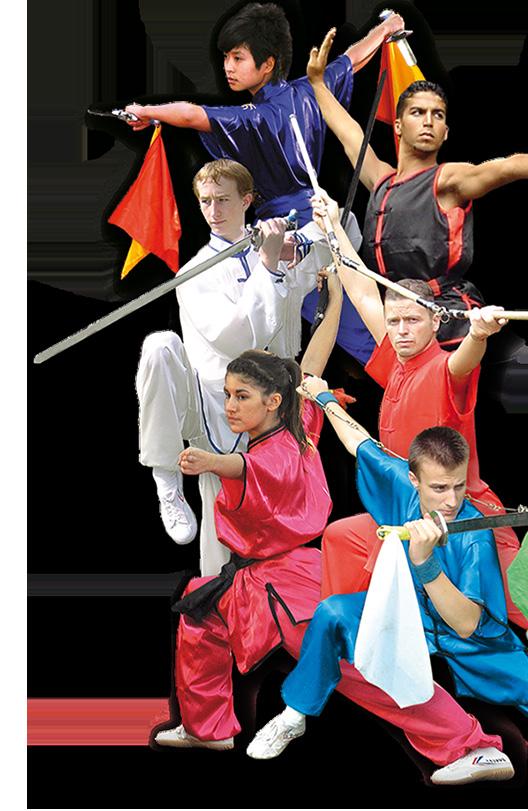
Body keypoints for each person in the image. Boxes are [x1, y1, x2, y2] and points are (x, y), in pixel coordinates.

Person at [152, 276, 510, 775]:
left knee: (363, 666)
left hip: (286, 585)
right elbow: (311, 368)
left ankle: (471, 745)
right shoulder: (297, 420)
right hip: (254, 579)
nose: (229, 405)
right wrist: (333, 302)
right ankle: (205, 728)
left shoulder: (277, 452)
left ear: (272, 402)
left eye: (241, 396)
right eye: (228, 394)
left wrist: (211, 462)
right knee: (200, 616)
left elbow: (246, 468)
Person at [247, 414, 528, 786]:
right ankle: (294, 714)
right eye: (440, 488)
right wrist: (323, 398)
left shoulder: (475, 536)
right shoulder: (400, 485)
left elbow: (465, 624)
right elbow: (359, 442)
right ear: (414, 480)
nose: (451, 500)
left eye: (459, 486)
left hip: (478, 644)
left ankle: (483, 749)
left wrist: (425, 564)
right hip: (416, 617)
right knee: (332, 613)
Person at [125, 3, 406, 363]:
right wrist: (386, 29)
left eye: (238, 58)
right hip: (326, 218)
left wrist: (147, 112)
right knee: (356, 315)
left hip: (289, 231)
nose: (228, 67)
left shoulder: (254, 118)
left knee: (335, 328)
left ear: (268, 63)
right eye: (226, 58)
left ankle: (409, 380)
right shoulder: (311, 90)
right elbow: (352, 59)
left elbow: (193, 115)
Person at [309, 189, 528, 630]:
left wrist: (478, 334)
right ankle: (356, 642)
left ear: (436, 320)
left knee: (519, 605)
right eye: (395, 322)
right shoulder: (396, 360)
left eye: (413, 320)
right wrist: (332, 224)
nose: (402, 330)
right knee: (340, 537)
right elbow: (363, 291)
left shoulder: (443, 369)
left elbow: (465, 360)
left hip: (463, 513)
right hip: (409, 510)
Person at [136, 158, 320, 576]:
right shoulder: (194, 273)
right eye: (205, 201)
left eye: (222, 200)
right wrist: (268, 266)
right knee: (160, 347)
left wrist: (308, 234)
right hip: (213, 405)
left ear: (247, 200)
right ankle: (166, 478)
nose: (213, 210)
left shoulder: (276, 246)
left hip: (275, 409)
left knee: (271, 525)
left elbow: (341, 238)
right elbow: (239, 343)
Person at [306, 28, 528, 346]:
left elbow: (508, 167)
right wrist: (317, 83)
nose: (428, 121)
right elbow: (349, 133)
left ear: (446, 131)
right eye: (417, 112)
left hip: (447, 327)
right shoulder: (381, 179)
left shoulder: (449, 180)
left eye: (437, 115)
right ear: (398, 125)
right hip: (393, 321)